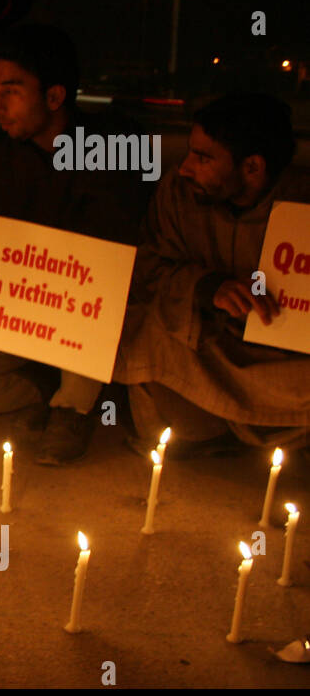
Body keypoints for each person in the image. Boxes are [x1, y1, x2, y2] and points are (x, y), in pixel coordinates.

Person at [0, 24, 151, 464]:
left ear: (55, 98)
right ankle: (41, 389)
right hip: (16, 314)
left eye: (12, 91)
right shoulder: (1, 157)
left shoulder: (114, 153)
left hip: (82, 320)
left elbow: (112, 269)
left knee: (100, 302)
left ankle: (73, 406)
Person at [115, 93, 310, 455]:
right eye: (190, 151)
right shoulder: (179, 191)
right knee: (141, 329)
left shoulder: (301, 205)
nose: (185, 166)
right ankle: (211, 436)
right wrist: (206, 286)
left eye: (203, 158)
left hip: (280, 367)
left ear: (252, 167)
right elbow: (148, 266)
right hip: (209, 350)